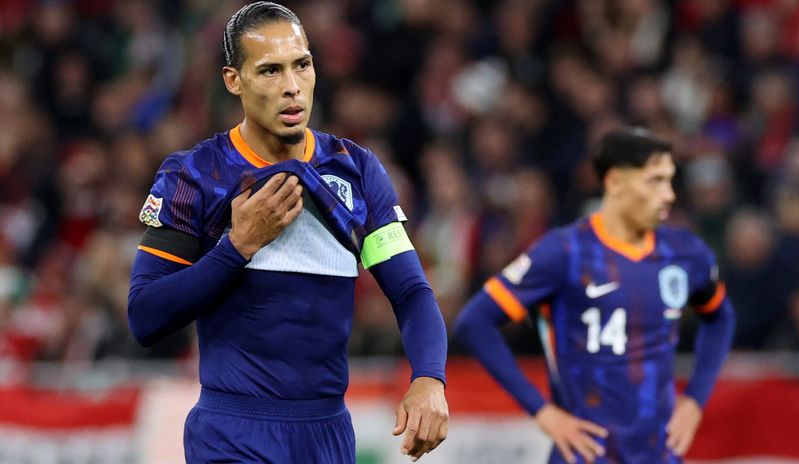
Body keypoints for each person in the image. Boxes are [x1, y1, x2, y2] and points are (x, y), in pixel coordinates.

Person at [127, 3, 448, 463]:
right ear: (233, 80)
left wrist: (429, 379)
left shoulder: (356, 171)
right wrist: (236, 247)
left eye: (302, 64)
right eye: (270, 71)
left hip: (328, 437)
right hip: (232, 434)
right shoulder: (194, 176)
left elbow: (412, 292)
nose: (292, 87)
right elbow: (145, 317)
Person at [453, 128, 735, 463]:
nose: (669, 195)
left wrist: (695, 399)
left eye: (670, 180)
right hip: (586, 455)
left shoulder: (685, 253)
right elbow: (474, 322)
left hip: (658, 454)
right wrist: (542, 411)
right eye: (655, 181)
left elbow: (720, 317)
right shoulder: (564, 252)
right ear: (615, 182)